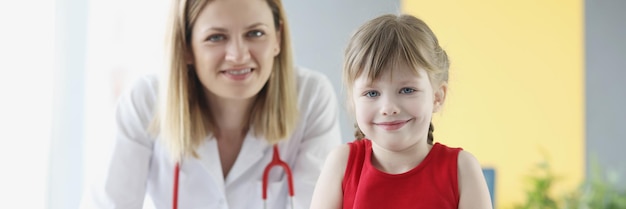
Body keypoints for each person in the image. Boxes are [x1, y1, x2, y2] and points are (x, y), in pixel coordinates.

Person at [81, 0, 341, 208]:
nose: (238, 55)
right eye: (216, 37)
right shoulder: (146, 102)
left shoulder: (311, 98)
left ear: (277, 39)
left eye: (256, 33)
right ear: (186, 46)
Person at [310, 14, 492, 209]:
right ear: (353, 101)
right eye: (372, 93)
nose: (389, 108)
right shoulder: (341, 163)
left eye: (407, 90)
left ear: (437, 97)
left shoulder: (462, 169)